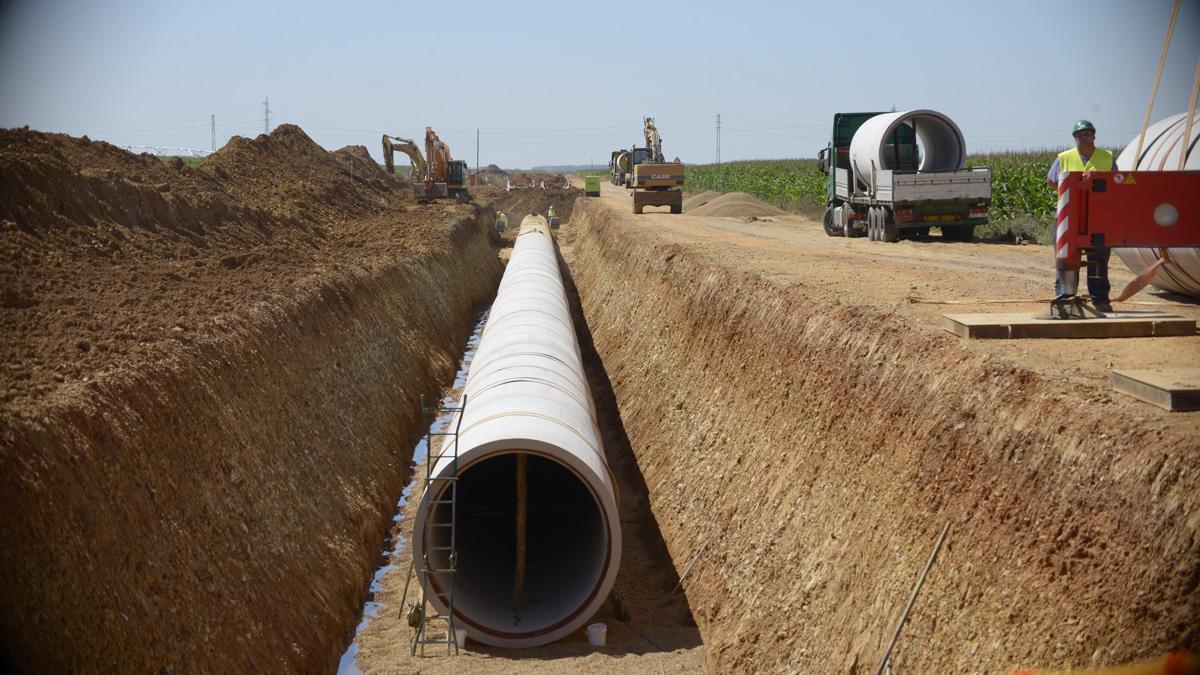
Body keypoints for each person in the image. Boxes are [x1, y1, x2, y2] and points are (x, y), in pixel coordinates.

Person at [1046, 119, 1115, 312]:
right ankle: (1065, 299)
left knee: (1099, 260)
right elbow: (1051, 181)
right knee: (1066, 259)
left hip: (1097, 217)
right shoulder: (1064, 157)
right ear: (1075, 138)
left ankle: (1100, 300)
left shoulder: (1107, 157)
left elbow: (1115, 182)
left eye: (1087, 133)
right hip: (1068, 218)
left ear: (1094, 135)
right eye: (1079, 135)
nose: (1083, 137)